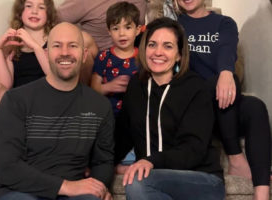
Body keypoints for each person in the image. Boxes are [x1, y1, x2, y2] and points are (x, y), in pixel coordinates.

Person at [0, 22, 114, 200]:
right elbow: (6, 168)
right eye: (57, 46)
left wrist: (99, 186)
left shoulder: (100, 106)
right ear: (46, 54)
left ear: (84, 55)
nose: (64, 52)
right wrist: (65, 186)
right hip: (22, 192)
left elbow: (103, 162)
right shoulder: (15, 101)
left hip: (75, 194)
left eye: (73, 46)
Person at [114, 17, 225, 200]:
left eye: (167, 46)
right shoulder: (136, 85)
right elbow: (122, 135)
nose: (158, 52)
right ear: (144, 49)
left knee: (137, 181)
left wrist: (151, 161)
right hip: (154, 177)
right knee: (139, 181)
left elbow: (193, 149)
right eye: (152, 44)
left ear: (179, 54)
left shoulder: (195, 88)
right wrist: (99, 165)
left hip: (201, 179)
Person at [177, 0, 271, 199]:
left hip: (223, 105)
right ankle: (235, 156)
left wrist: (226, 73)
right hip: (192, 108)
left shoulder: (224, 23)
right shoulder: (174, 25)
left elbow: (227, 48)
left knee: (255, 106)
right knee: (216, 83)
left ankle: (262, 193)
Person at [0, 0, 58, 123]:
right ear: (20, 11)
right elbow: (4, 85)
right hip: (20, 108)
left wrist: (35, 47)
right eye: (28, 6)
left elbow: (56, 78)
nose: (34, 11)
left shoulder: (55, 41)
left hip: (46, 107)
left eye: (41, 7)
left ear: (48, 13)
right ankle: (3, 138)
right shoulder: (13, 43)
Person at [90, 1, 141, 171]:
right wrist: (108, 87)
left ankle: (126, 161)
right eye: (116, 28)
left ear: (138, 29)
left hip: (134, 114)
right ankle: (111, 164)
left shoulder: (143, 58)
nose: (122, 33)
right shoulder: (104, 56)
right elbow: (94, 87)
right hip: (109, 114)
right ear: (108, 31)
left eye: (127, 27)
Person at [57, 0, 146, 51]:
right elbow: (54, 20)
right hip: (98, 54)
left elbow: (142, 27)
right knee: (84, 39)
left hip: (133, 48)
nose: (122, 33)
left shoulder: (139, 2)